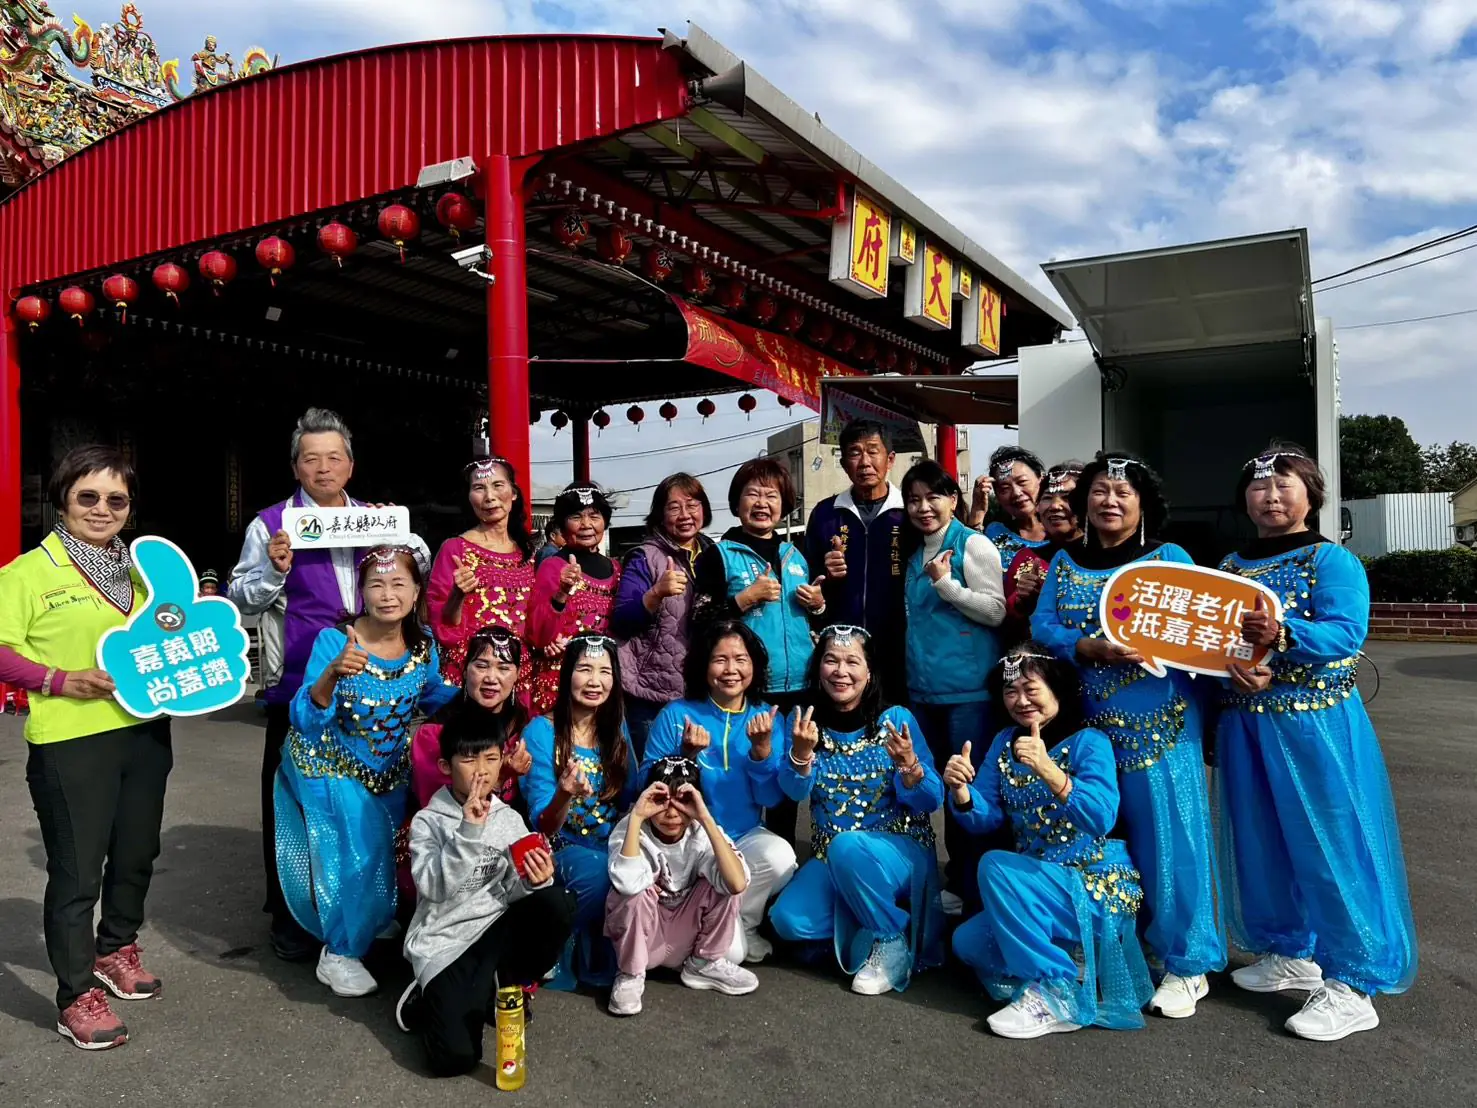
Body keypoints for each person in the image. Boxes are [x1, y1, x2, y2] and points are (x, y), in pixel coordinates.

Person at [1215, 445, 1417, 1041]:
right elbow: (1218, 638)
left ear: (1311, 495)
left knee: (1330, 845)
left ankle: (1354, 980)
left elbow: (1345, 634)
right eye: (1259, 486)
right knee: (1262, 842)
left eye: (1285, 485)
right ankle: (1289, 953)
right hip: (1246, 723)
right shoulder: (1230, 564)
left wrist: (1282, 635)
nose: (1271, 496)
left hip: (1313, 725)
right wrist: (1235, 668)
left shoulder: (1331, 560)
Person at [229, 407, 430, 962]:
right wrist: (273, 570)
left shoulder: (375, 519)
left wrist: (404, 536)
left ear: (350, 465)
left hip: (374, 680)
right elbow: (240, 597)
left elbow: (416, 568)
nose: (323, 468)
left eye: (334, 458)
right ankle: (292, 916)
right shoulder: (272, 524)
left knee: (371, 802)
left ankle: (369, 909)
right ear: (295, 467)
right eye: (311, 459)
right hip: (303, 681)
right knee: (292, 803)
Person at [1031, 452, 1225, 1018]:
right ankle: (1119, 946)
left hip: (1161, 728)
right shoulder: (1065, 561)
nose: (1109, 501)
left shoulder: (1169, 560)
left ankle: (1188, 963)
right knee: (1100, 842)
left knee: (1172, 844)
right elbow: (1043, 624)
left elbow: (1204, 634)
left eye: (1123, 492)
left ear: (1143, 503)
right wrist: (1082, 646)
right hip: (1088, 731)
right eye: (1099, 491)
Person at [0, 446, 170, 1050]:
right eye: (88, 496)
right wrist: (57, 680)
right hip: (70, 740)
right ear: (62, 501)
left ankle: (115, 949)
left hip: (145, 732)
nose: (102, 509)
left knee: (137, 853)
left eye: (116, 499)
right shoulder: (27, 574)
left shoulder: (143, 572)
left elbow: (177, 631)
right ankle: (75, 995)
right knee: (76, 874)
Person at [275, 546, 459, 998]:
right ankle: (339, 953)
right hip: (328, 762)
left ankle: (368, 917)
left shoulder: (424, 645)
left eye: (398, 584)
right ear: (362, 592)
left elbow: (432, 694)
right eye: (376, 585)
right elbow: (304, 717)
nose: (387, 594)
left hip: (388, 769)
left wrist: (482, 692)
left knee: (385, 851)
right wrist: (332, 674)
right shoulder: (335, 641)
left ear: (417, 592)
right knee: (360, 851)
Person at [948, 644, 1153, 1038]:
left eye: (1031, 689)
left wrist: (1047, 768)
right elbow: (985, 818)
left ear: (1056, 688)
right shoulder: (1005, 741)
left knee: (995, 866)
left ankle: (1055, 992)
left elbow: (1101, 817)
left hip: (1096, 885)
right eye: (1010, 692)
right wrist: (961, 792)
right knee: (967, 942)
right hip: (1039, 889)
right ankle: (1072, 959)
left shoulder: (1089, 741)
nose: (1021, 700)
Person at [397, 711, 575, 1077]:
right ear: (446, 767)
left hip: (493, 932)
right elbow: (434, 888)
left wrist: (535, 880)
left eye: (491, 758)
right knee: (455, 1060)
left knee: (558, 903)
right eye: (469, 760)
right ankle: (426, 995)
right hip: (446, 945)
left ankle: (504, 983)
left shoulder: (508, 819)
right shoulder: (429, 822)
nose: (482, 770)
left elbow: (514, 890)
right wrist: (469, 830)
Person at [768, 626, 945, 996]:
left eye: (852, 662)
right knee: (787, 920)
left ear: (870, 671)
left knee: (848, 846)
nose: (841, 671)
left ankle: (889, 941)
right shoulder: (803, 721)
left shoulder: (896, 718)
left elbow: (931, 800)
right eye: (831, 660)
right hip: (829, 854)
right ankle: (873, 924)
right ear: (818, 667)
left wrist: (910, 766)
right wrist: (800, 755)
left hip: (899, 851)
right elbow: (792, 790)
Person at [641, 620, 797, 963]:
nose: (731, 670)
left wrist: (762, 752)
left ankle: (743, 922)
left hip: (742, 837)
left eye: (740, 659)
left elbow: (770, 799)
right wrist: (684, 756)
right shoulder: (677, 714)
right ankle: (703, 927)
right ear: (703, 665)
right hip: (688, 843)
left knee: (781, 856)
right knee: (732, 955)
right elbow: (643, 786)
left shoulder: (768, 717)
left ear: (755, 665)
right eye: (720, 660)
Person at [692, 458, 825, 848]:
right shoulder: (719, 555)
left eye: (772, 495)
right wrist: (744, 599)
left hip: (799, 686)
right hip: (748, 690)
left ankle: (780, 860)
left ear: (785, 504)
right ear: (737, 503)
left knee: (789, 779)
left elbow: (809, 620)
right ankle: (730, 857)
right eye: (753, 494)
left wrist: (819, 606)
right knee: (743, 776)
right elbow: (699, 620)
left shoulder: (795, 555)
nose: (763, 503)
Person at [899, 459, 1007, 915]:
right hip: (925, 691)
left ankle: (976, 887)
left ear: (953, 499)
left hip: (969, 692)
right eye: (914, 500)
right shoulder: (915, 552)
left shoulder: (972, 543)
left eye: (933, 497)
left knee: (969, 789)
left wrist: (948, 587)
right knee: (939, 789)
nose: (923, 507)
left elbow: (996, 611)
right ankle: (958, 881)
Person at [521, 634, 637, 987]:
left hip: (611, 841)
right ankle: (551, 944)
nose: (594, 681)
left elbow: (630, 795)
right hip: (561, 847)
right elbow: (544, 823)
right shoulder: (542, 731)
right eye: (585, 669)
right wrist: (564, 793)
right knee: (602, 873)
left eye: (604, 671)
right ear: (567, 673)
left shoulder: (616, 727)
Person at [605, 756, 759, 1016]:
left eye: (683, 802)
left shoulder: (700, 831)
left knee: (727, 876)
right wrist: (637, 816)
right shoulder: (632, 828)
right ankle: (630, 974)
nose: (672, 813)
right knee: (632, 894)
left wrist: (705, 818)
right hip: (647, 938)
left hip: (686, 934)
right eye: (661, 801)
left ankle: (703, 963)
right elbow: (627, 884)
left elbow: (736, 883)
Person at [613, 473, 716, 758]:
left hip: (703, 689)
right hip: (651, 693)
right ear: (660, 515)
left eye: (692, 505)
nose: (685, 515)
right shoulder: (644, 557)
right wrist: (656, 593)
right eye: (674, 507)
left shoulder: (714, 554)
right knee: (655, 774)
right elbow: (622, 620)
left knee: (700, 776)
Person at [803, 420, 908, 697]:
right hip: (843, 651)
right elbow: (808, 580)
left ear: (890, 459)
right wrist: (826, 575)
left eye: (873, 451)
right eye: (854, 453)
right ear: (843, 463)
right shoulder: (826, 514)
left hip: (901, 645)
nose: (864, 462)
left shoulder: (908, 513)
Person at [426, 457, 536, 689]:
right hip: (471, 674)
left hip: (518, 674)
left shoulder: (528, 553)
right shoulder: (454, 549)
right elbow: (443, 627)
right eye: (479, 488)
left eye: (498, 485)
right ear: (469, 497)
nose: (489, 497)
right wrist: (458, 595)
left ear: (514, 493)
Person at [527, 484, 622, 715]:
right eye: (576, 517)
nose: (586, 524)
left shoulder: (617, 569)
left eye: (594, 516)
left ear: (605, 521)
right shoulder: (553, 566)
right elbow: (537, 634)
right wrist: (562, 592)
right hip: (559, 684)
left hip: (602, 685)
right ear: (562, 525)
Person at [1002, 462, 1084, 643]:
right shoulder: (1027, 557)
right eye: (1047, 497)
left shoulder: (1106, 557)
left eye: (1066, 497)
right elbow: (1008, 626)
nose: (1055, 506)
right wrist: (1022, 601)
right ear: (1038, 506)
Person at [974, 446, 1050, 568]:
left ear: (1041, 480)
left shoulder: (1064, 529)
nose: (1016, 493)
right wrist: (977, 512)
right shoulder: (995, 533)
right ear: (997, 496)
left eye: (1022, 482)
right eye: (1005, 488)